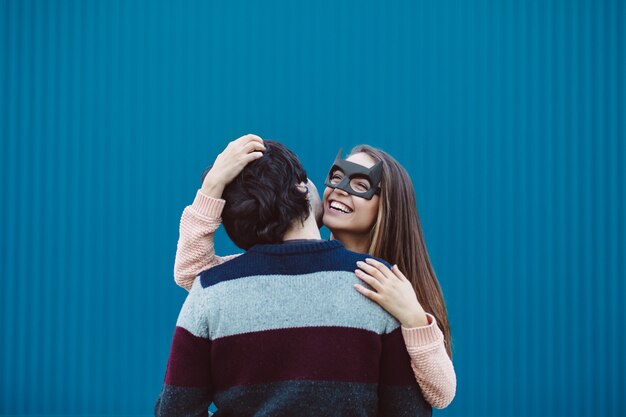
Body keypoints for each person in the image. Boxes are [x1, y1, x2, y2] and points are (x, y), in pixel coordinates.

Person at [174, 134, 456, 409]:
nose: (341, 189)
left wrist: (416, 319)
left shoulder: (394, 289)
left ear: (388, 206)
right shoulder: (281, 267)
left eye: (361, 184)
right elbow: (195, 274)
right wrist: (212, 188)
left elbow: (440, 394)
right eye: (336, 177)